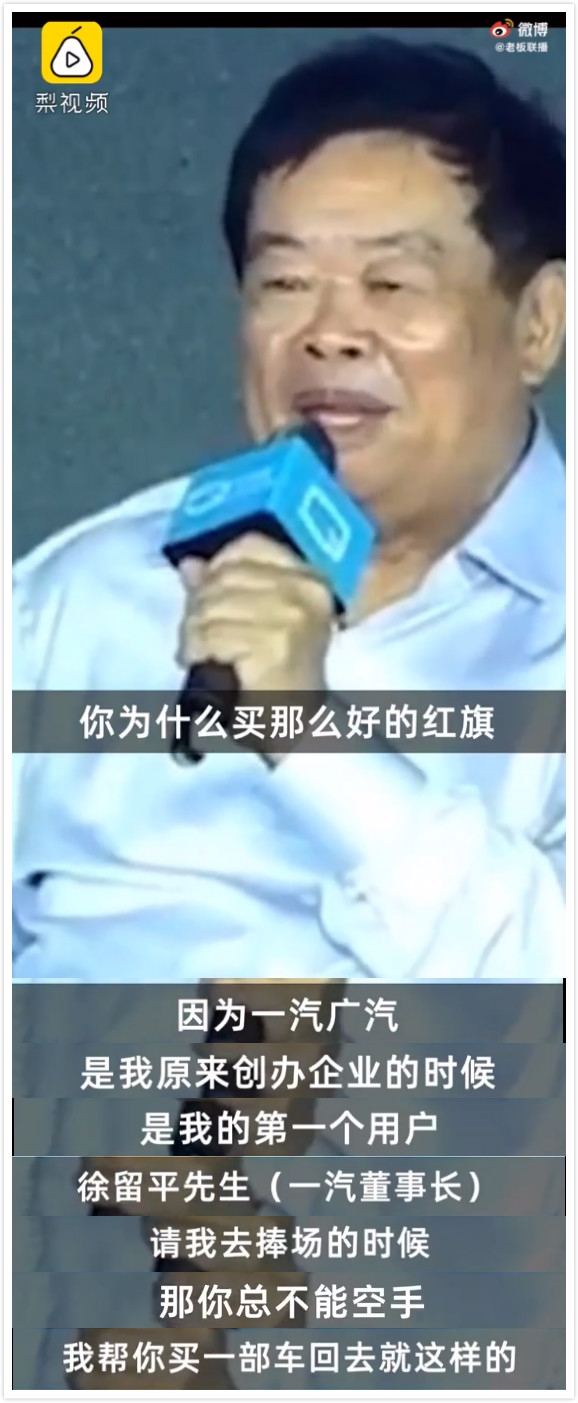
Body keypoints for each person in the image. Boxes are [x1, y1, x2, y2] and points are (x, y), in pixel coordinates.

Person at [13, 38, 566, 983]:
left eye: (391, 284)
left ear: (539, 323)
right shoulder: (77, 599)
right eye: (285, 285)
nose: (330, 334)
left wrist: (310, 735)